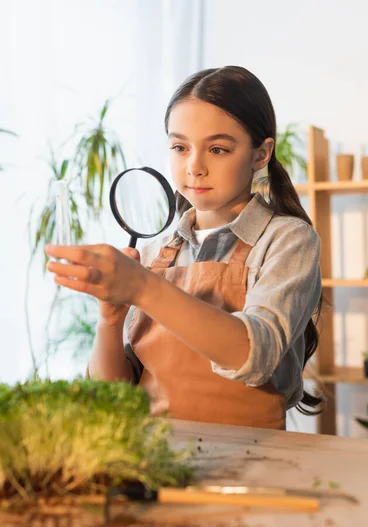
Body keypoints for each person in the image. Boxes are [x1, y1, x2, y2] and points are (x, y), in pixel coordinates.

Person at [45, 66, 322, 430]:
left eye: (218, 149)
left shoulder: (287, 240)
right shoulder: (154, 253)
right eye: (179, 147)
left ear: (261, 153)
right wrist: (108, 322)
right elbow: (112, 393)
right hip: (154, 457)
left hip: (252, 461)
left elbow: (255, 355)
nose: (194, 167)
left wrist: (143, 288)